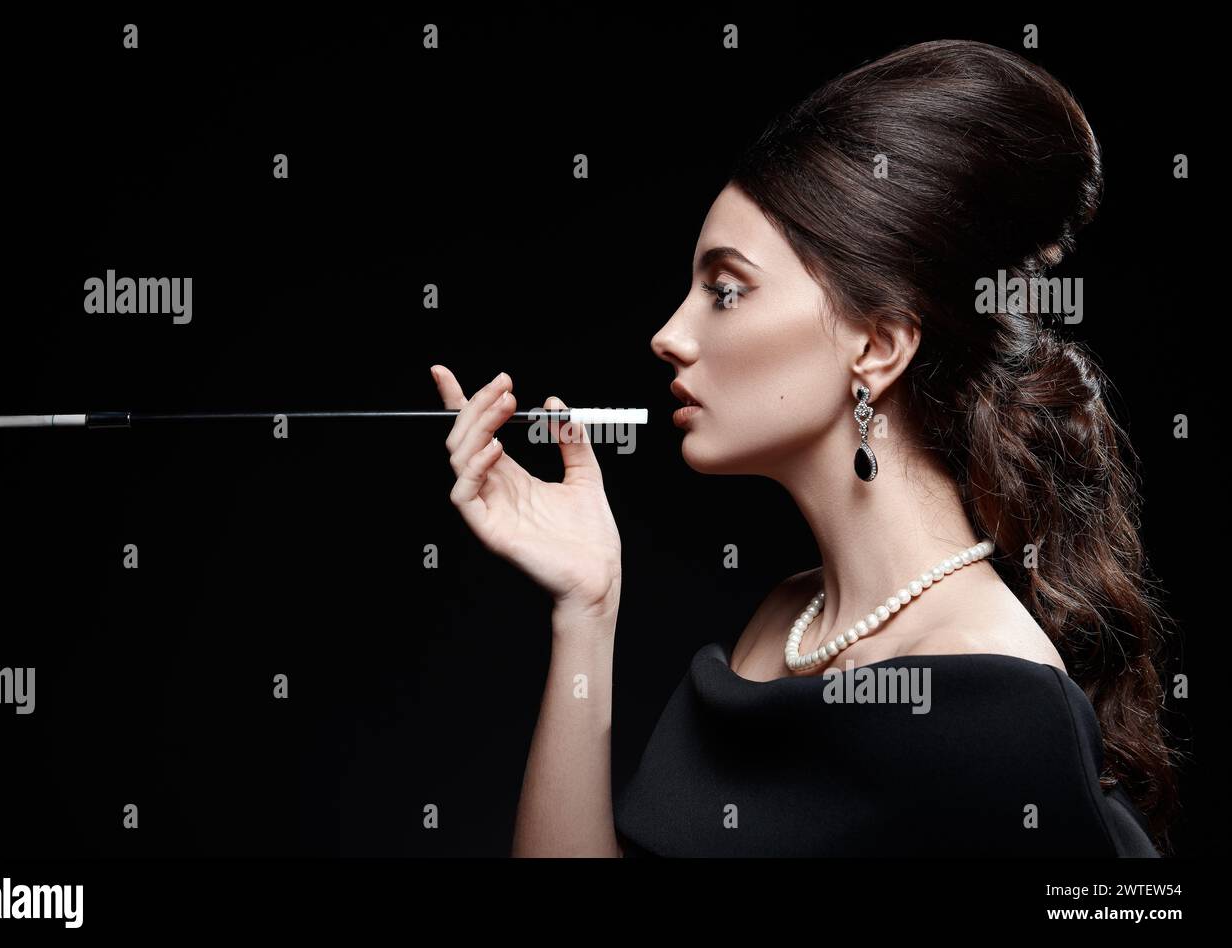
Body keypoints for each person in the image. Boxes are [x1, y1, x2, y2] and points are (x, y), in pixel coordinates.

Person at [429, 39, 1178, 857]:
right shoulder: (786, 623)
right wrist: (586, 608)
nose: (668, 336)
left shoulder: (990, 703)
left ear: (879, 347)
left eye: (725, 291)